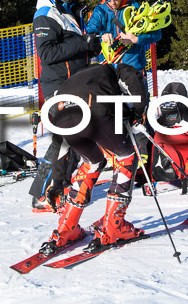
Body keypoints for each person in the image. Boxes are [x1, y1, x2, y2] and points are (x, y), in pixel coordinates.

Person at [40, 63, 149, 254]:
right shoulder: (110, 70)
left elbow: (59, 144)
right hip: (94, 111)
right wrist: (139, 113)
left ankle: (67, 227)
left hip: (63, 118)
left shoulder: (69, 82)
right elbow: (133, 77)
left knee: (93, 163)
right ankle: (113, 226)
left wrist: (58, 180)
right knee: (126, 158)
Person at [29, 0, 102, 212]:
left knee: (75, 137)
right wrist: (83, 44)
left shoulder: (67, 9)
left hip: (74, 83)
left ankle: (59, 186)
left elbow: (73, 47)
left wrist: (91, 47)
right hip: (58, 87)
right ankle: (43, 194)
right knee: (64, 140)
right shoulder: (45, 15)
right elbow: (47, 53)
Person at [86, 0, 162, 75]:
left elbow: (156, 34)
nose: (113, 3)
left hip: (134, 67)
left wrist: (137, 39)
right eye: (108, 0)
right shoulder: (100, 11)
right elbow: (89, 33)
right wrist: (102, 35)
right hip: (109, 68)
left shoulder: (135, 8)